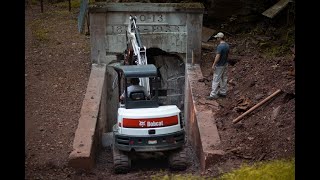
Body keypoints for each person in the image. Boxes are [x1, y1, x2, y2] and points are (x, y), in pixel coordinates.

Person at [207, 32, 230, 100]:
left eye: (217, 38)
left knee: (216, 79)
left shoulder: (220, 46)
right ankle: (223, 92)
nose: (216, 39)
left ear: (220, 38)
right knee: (224, 78)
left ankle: (213, 94)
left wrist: (214, 64)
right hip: (225, 64)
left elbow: (217, 57)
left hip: (219, 65)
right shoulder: (227, 45)